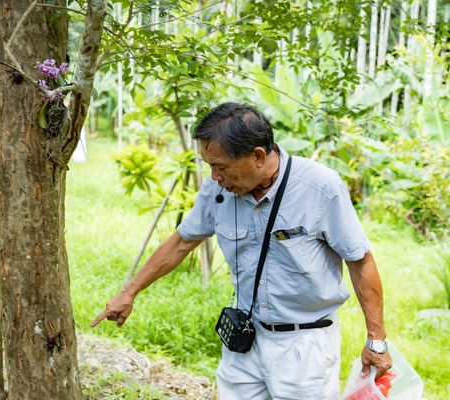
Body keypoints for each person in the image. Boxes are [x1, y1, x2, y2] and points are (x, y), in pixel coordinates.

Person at [91, 102, 392, 399]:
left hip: (304, 347)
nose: (214, 177)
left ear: (258, 156)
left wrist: (376, 341)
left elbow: (360, 261)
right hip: (244, 340)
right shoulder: (218, 190)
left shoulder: (319, 187)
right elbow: (183, 240)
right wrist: (130, 291)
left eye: (220, 167)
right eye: (210, 166)